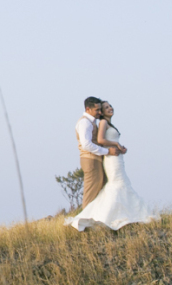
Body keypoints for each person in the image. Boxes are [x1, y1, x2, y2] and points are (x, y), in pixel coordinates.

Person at [67, 100, 158, 231]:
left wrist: (118, 147)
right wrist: (111, 148)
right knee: (104, 186)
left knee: (106, 186)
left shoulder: (98, 123)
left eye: (105, 107)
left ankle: (115, 214)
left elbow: (103, 141)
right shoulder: (87, 122)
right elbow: (91, 143)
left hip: (107, 157)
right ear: (88, 109)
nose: (102, 111)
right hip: (96, 158)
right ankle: (86, 220)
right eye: (100, 109)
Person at [75, 97, 121, 208]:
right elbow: (86, 144)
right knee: (91, 191)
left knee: (98, 189)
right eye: (97, 110)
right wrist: (107, 151)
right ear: (88, 109)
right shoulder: (85, 122)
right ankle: (84, 221)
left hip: (94, 159)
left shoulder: (92, 122)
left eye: (100, 110)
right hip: (90, 159)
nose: (99, 113)